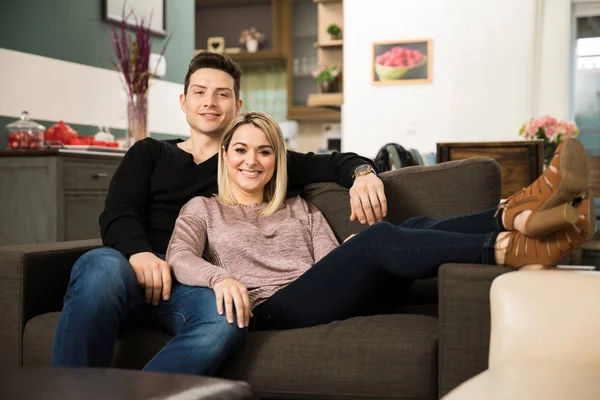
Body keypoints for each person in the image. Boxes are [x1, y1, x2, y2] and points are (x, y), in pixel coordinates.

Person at [51, 52, 387, 375]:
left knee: (227, 318)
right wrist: (139, 254)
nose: (210, 102)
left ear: (237, 106)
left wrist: (362, 173)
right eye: (200, 92)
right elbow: (118, 212)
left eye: (222, 94)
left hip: (193, 287)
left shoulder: (248, 161)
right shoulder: (149, 153)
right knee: (100, 265)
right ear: (183, 101)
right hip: (131, 271)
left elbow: (330, 163)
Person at [166, 112, 595, 334]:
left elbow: (328, 266)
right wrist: (219, 279)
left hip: (321, 297)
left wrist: (355, 255)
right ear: (225, 157)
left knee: (416, 227)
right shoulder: (202, 209)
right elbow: (179, 257)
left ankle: (517, 213)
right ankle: (511, 244)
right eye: (240, 150)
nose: (251, 161)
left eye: (264, 151)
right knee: (380, 238)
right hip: (269, 311)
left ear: (277, 159)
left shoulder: (301, 207)